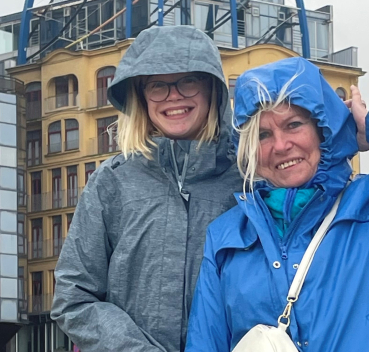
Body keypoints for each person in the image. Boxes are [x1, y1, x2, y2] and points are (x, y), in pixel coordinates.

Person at [185, 57, 369, 351]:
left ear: (323, 129)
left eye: (293, 125)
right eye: (263, 135)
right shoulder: (226, 237)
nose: (280, 146)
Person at [51, 25, 242, 352]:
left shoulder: (247, 179)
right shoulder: (111, 182)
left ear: (213, 88)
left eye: (189, 81)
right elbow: (74, 298)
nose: (174, 96)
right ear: (140, 96)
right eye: (157, 86)